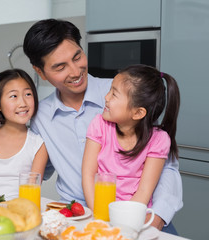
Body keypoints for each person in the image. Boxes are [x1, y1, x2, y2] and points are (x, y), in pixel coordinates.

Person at [23, 18, 182, 233]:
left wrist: (158, 218)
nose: (75, 71)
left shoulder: (126, 93)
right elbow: (36, 170)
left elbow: (166, 168)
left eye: (77, 56)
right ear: (40, 72)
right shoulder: (39, 116)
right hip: (78, 216)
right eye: (60, 67)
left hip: (144, 214)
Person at [82, 65, 180, 210]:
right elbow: (88, 175)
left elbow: (144, 192)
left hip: (133, 214)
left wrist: (123, 219)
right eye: (110, 90)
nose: (106, 97)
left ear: (138, 113)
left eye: (114, 94)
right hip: (99, 210)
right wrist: (98, 213)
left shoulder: (159, 140)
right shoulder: (99, 125)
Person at [0, 69, 48, 203]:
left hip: (18, 214)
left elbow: (32, 194)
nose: (23, 103)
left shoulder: (38, 144)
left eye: (28, 94)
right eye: (13, 96)